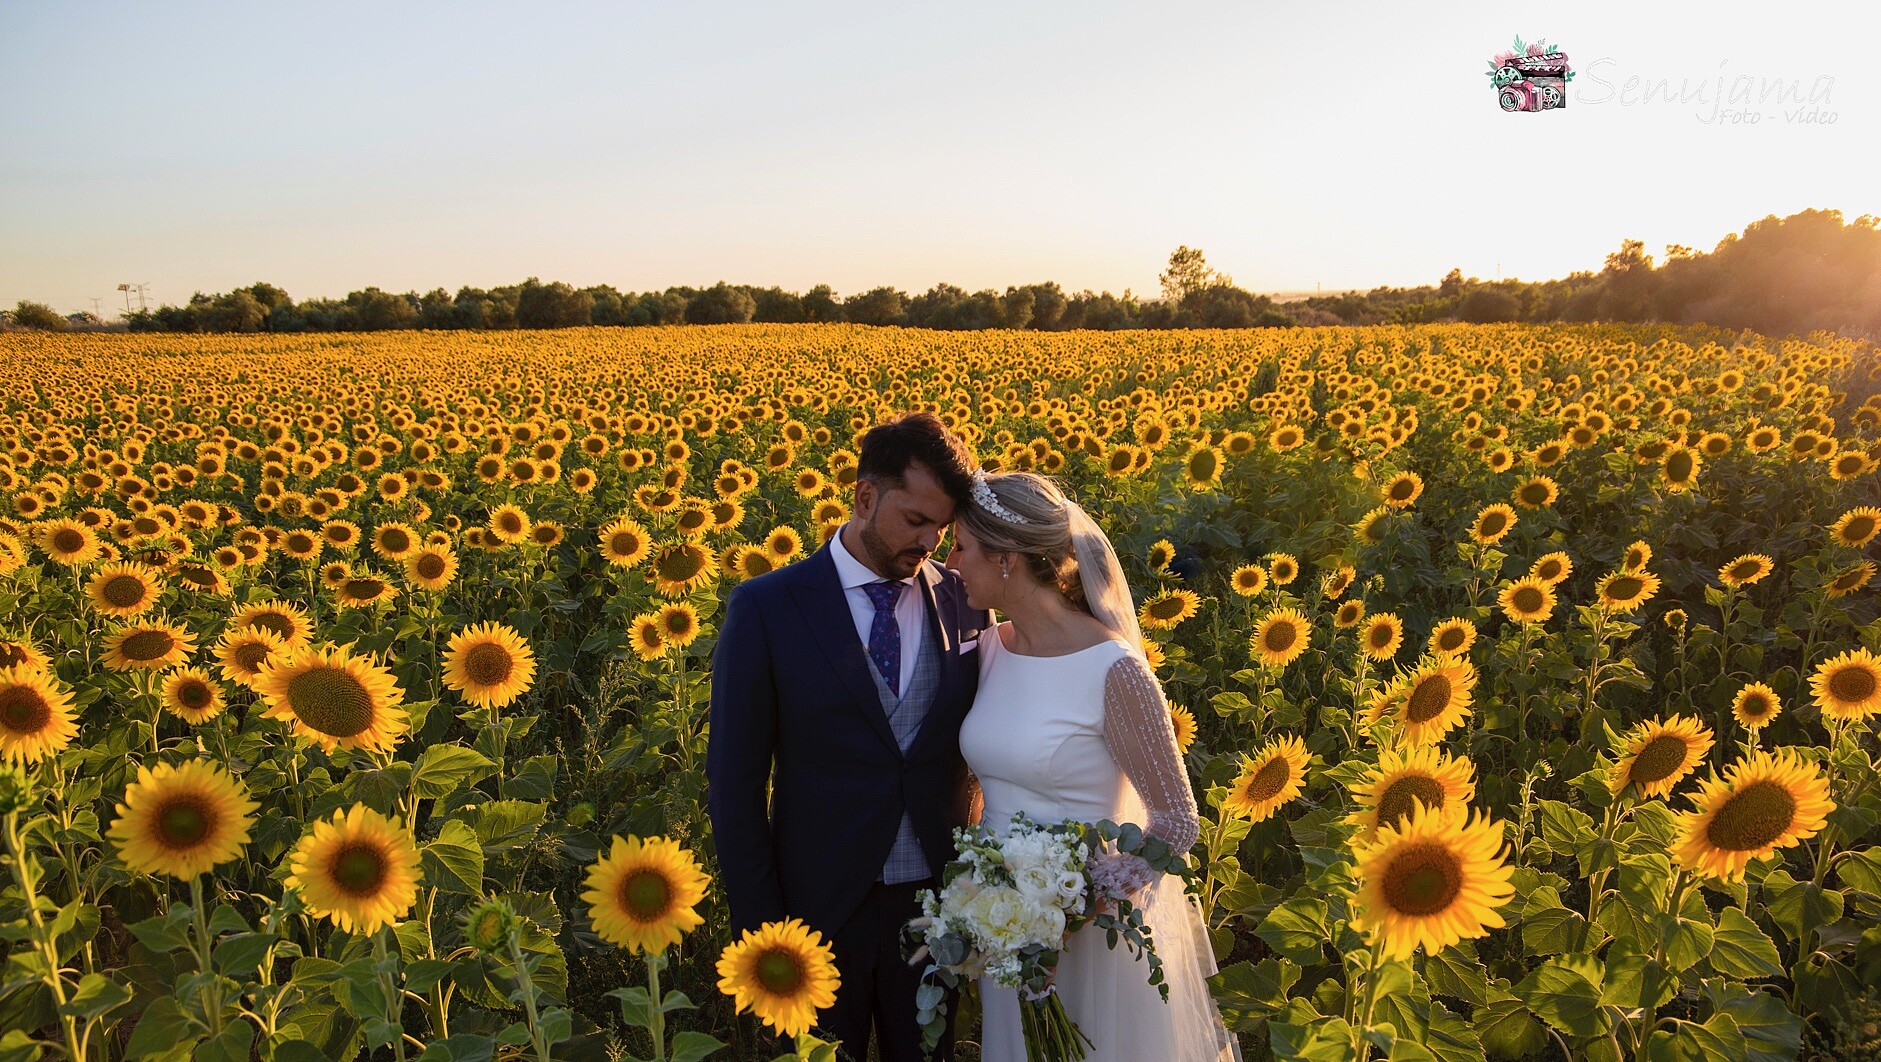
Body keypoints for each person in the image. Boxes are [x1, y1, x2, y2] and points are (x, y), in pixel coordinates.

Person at [706, 411, 989, 1062]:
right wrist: (763, 929)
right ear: (864, 497)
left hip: (935, 907)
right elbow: (734, 784)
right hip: (815, 909)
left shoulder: (965, 597)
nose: (928, 542)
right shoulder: (768, 606)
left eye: (941, 527)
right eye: (914, 521)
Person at [947, 469, 1243, 1062]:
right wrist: (990, 899)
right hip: (1003, 927)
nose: (950, 562)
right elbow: (987, 780)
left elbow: (1177, 822)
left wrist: (1074, 904)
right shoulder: (989, 649)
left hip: (1088, 939)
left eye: (961, 546)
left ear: (1006, 558)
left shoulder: (1114, 670)